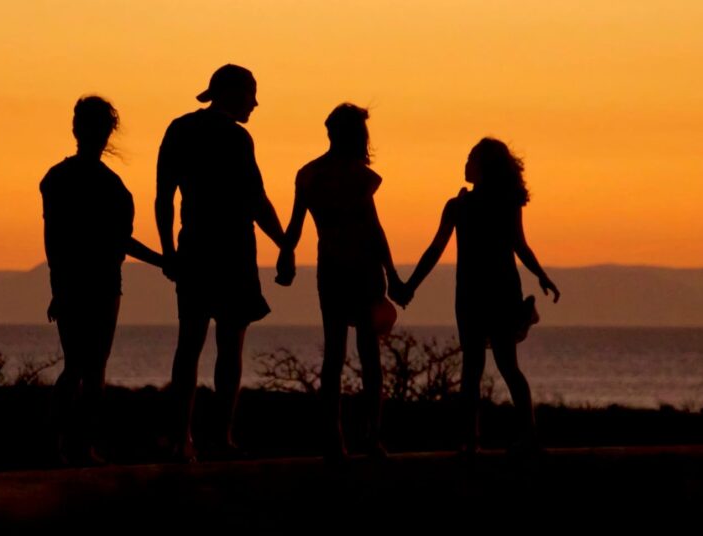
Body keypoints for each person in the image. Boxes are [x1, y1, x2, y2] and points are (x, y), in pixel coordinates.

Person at [156, 64, 288, 461]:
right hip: (231, 253)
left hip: (194, 249)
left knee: (189, 346)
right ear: (232, 94)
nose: (256, 102)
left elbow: (164, 199)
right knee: (229, 348)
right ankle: (219, 436)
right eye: (251, 94)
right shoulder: (236, 138)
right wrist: (285, 243)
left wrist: (168, 251)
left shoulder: (179, 129)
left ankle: (184, 439)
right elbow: (257, 200)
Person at [402, 137, 560, 455]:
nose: (465, 163)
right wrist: (411, 285)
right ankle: (502, 436)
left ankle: (478, 440)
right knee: (497, 366)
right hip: (489, 292)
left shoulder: (466, 206)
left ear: (483, 167)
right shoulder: (469, 205)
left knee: (480, 367)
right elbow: (518, 245)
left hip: (482, 293)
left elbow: (517, 245)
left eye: (471, 158)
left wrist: (542, 274)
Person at [40, 96, 163, 465]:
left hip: (87, 283)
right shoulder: (107, 186)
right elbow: (112, 241)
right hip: (96, 284)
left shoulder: (62, 179)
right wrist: (164, 261)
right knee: (89, 367)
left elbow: (56, 241)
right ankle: (75, 445)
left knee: (81, 365)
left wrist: (58, 288)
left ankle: (71, 445)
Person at [277, 103, 403, 460]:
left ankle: (337, 438)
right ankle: (368, 437)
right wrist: (392, 274)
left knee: (336, 353)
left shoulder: (311, 174)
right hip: (360, 270)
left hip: (332, 268)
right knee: (367, 355)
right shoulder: (357, 176)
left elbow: (296, 225)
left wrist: (287, 257)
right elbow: (373, 230)